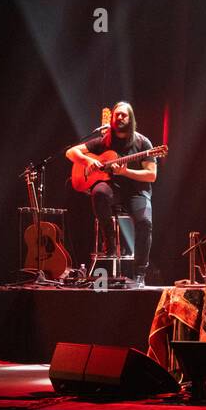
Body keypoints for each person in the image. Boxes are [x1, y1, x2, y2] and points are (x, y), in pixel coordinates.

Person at [65, 101, 157, 286]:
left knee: (145, 222)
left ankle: (139, 274)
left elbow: (151, 175)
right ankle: (111, 242)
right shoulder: (104, 141)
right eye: (117, 115)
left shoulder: (143, 142)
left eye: (124, 115)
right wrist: (86, 161)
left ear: (131, 119)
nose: (120, 118)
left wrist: (126, 172)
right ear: (113, 118)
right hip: (113, 189)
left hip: (136, 192)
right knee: (98, 192)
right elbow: (70, 152)